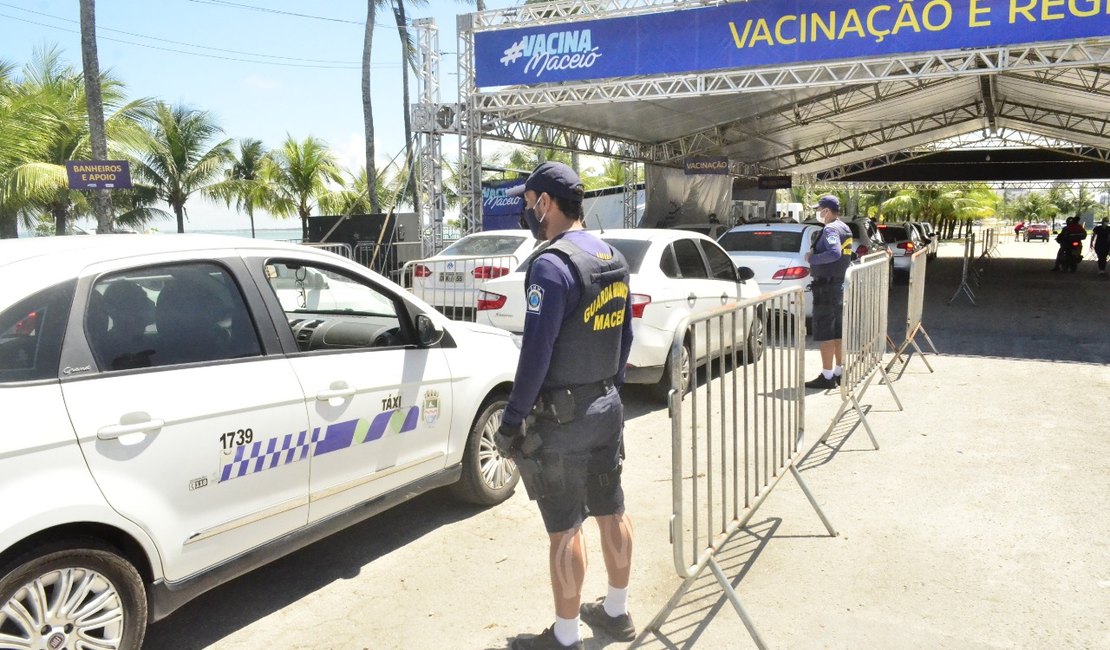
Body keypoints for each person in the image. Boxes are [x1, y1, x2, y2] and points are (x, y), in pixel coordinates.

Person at [496, 161, 636, 650]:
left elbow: (536, 353)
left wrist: (512, 421)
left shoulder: (551, 265)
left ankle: (566, 636)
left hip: (564, 419)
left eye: (526, 201)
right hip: (606, 407)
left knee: (565, 527)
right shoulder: (612, 256)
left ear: (546, 204)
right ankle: (616, 613)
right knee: (612, 508)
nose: (524, 210)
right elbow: (625, 339)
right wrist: (609, 390)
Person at [804, 195, 853, 390]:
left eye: (820, 209)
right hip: (838, 285)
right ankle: (839, 371)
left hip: (827, 287)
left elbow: (834, 253)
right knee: (837, 331)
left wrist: (812, 258)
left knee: (825, 332)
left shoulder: (831, 228)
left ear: (827, 211)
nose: (818, 213)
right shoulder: (845, 228)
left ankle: (827, 376)